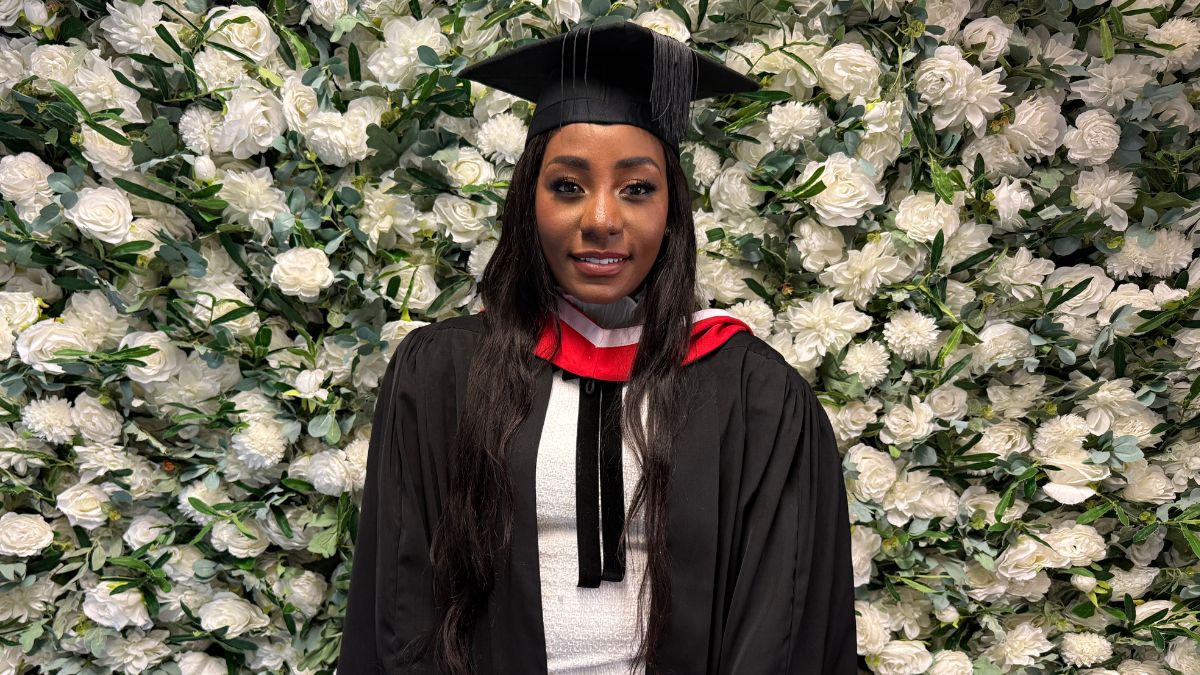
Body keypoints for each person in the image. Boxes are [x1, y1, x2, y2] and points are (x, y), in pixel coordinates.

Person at [336, 20, 857, 675]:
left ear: (673, 208)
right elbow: (399, 604)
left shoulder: (753, 393)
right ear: (530, 201)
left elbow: (783, 620)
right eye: (567, 186)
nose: (602, 219)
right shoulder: (443, 373)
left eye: (637, 188)